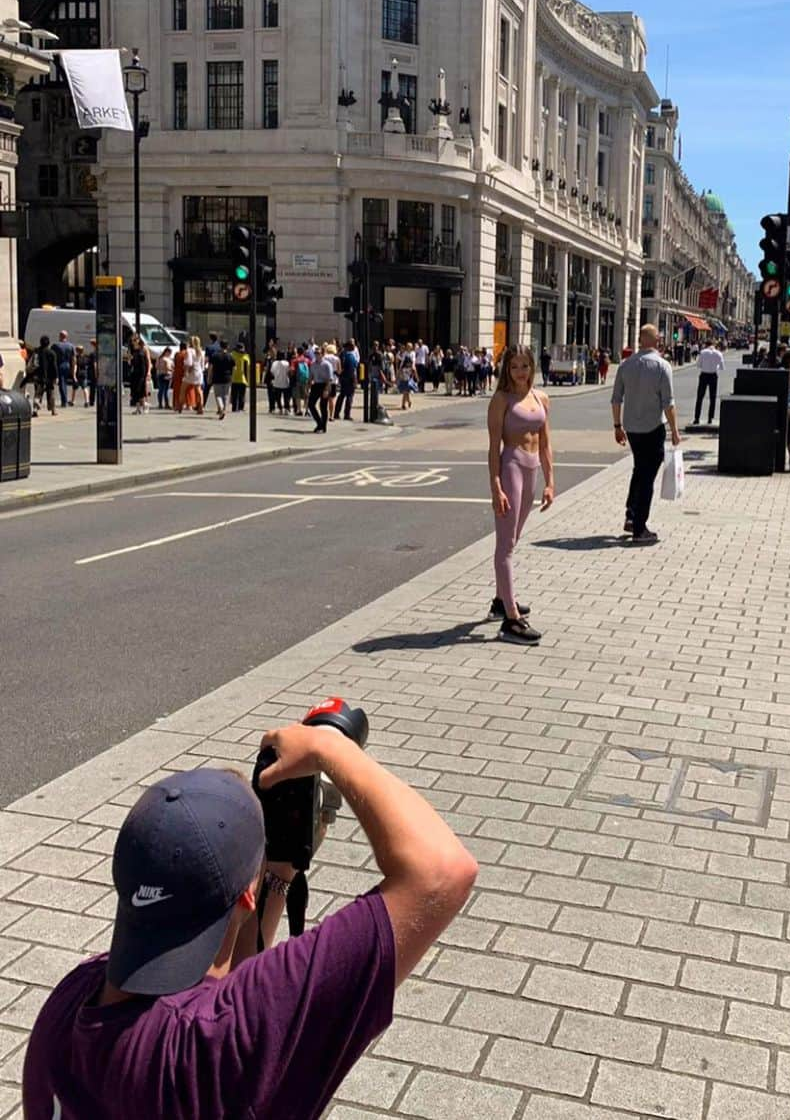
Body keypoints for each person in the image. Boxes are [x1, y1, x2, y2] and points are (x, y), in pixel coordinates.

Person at [23, 718, 477, 1120]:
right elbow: (439, 873)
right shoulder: (216, 1048)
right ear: (246, 895)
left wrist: (277, 876)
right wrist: (331, 749)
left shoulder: (67, 1006)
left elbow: (220, 989)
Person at [488, 345, 554, 645]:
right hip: (511, 465)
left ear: (532, 367)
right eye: (514, 367)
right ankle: (511, 620)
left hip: (532, 469)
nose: (519, 372)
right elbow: (493, 448)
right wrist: (496, 487)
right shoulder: (501, 399)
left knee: (513, 539)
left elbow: (545, 443)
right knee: (506, 545)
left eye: (524, 366)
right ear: (507, 369)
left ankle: (502, 600)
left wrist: (550, 482)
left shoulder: (541, 398)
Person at [611, 324, 681, 545]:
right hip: (653, 428)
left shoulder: (625, 365)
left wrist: (617, 426)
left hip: (632, 428)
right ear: (657, 340)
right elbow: (668, 403)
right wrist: (675, 431)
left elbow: (616, 399)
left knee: (639, 468)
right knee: (647, 475)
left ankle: (631, 515)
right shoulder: (662, 366)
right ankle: (640, 528)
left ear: (641, 340)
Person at [693, 341, 725, 426]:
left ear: (706, 345)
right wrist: (715, 366)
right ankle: (710, 418)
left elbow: (698, 365)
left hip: (704, 375)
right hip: (713, 375)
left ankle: (697, 418)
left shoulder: (703, 352)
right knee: (712, 398)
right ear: (714, 345)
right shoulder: (718, 353)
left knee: (700, 397)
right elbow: (722, 367)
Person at [30, 336, 59, 416]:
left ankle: (35, 409)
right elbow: (54, 366)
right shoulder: (52, 353)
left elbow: (34, 363)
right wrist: (56, 377)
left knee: (38, 393)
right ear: (48, 343)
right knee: (51, 393)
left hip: (38, 376)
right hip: (49, 377)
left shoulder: (36, 351)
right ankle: (53, 410)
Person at [207, 338, 235, 420]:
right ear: (228, 346)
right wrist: (232, 377)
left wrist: (209, 377)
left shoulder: (215, 356)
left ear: (220, 346)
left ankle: (221, 408)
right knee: (225, 395)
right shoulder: (230, 356)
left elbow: (211, 368)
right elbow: (234, 368)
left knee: (218, 395)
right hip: (227, 378)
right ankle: (224, 410)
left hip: (217, 378)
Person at [335, 339, 360, 420]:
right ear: (349, 346)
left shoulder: (343, 354)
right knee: (349, 396)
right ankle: (346, 414)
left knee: (342, 395)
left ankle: (337, 413)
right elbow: (353, 368)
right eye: (352, 345)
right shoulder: (348, 356)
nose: (354, 347)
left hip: (344, 378)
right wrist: (355, 380)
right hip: (349, 378)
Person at [308, 347, 332, 433]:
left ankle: (323, 427)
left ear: (322, 354)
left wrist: (326, 390)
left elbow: (329, 379)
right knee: (311, 405)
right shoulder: (313, 364)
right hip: (316, 385)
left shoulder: (327, 365)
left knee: (323, 407)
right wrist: (308, 386)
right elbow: (310, 376)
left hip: (324, 385)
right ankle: (319, 423)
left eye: (318, 353)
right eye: (316, 353)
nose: (317, 355)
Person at [183, 335, 206, 414]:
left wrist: (186, 371)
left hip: (191, 372)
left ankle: (179, 406)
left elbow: (189, 362)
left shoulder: (189, 350)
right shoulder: (201, 351)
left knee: (183, 389)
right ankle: (200, 406)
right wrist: (201, 370)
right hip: (199, 372)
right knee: (199, 390)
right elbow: (203, 364)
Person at [129, 336, 152, 415]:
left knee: (141, 389)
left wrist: (149, 371)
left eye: (135, 340)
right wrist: (130, 359)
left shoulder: (144, 349)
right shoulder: (133, 350)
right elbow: (131, 362)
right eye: (132, 341)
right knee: (135, 390)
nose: (133, 342)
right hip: (135, 372)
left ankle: (145, 405)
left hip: (142, 371)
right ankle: (138, 408)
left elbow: (148, 361)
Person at [53, 330, 76, 408]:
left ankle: (64, 401)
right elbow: (73, 359)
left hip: (59, 365)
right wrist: (73, 371)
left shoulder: (56, 346)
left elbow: (53, 357)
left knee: (62, 383)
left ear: (60, 336)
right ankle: (65, 400)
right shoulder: (71, 346)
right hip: (67, 365)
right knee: (64, 382)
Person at [269, 349, 291, 415]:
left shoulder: (274, 363)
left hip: (277, 382)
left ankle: (280, 408)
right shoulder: (287, 363)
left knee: (278, 397)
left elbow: (272, 372)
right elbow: (289, 372)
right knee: (286, 397)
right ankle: (286, 408)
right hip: (285, 382)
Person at [230, 341, 250, 414]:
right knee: (242, 394)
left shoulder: (232, 355)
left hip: (234, 378)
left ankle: (234, 408)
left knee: (234, 394)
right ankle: (241, 408)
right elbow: (248, 368)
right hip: (243, 378)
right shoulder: (246, 356)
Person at [397, 343, 416, 410]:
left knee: (406, 388)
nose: (408, 348)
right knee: (406, 388)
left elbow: (413, 361)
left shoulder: (413, 353)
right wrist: (399, 370)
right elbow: (402, 362)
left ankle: (406, 402)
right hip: (404, 371)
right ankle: (405, 403)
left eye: (410, 347)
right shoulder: (405, 353)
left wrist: (413, 368)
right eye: (407, 346)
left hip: (410, 371)